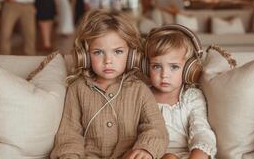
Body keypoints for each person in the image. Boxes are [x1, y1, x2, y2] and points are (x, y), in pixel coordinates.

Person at [50, 9, 168, 159]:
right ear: (85, 56)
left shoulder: (139, 90)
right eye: (98, 52)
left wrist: (147, 149)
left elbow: (156, 127)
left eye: (118, 52)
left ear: (132, 55)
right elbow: (69, 133)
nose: (108, 61)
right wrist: (70, 155)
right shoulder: (77, 89)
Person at [144, 25, 217, 159]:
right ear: (146, 67)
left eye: (174, 67)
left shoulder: (191, 97)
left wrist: (199, 153)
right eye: (156, 66)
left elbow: (201, 130)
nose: (164, 74)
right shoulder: (142, 96)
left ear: (189, 69)